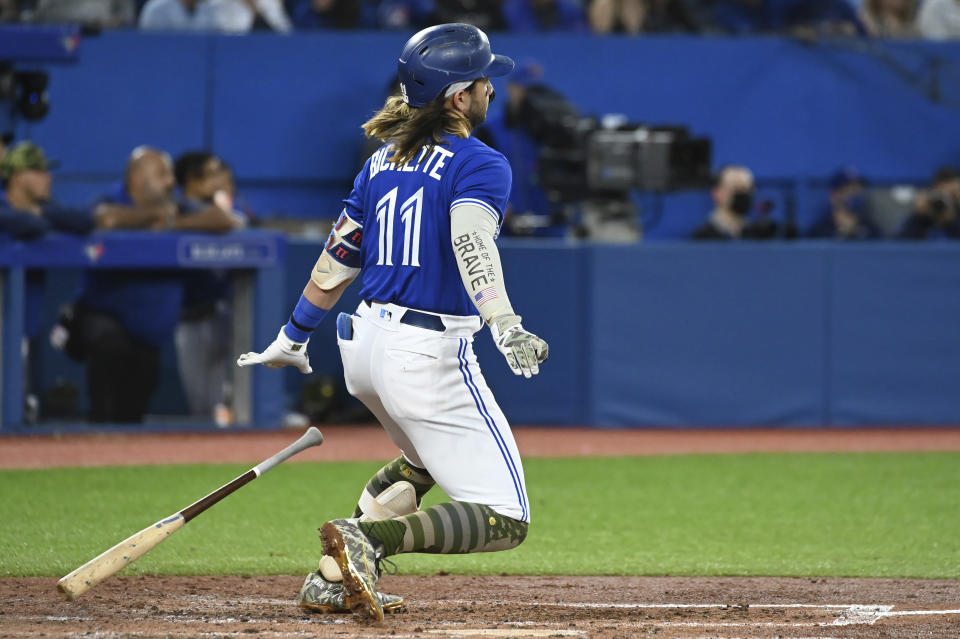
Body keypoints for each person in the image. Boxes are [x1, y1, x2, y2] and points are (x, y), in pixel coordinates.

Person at [238, 23, 548, 621]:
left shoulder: (383, 159)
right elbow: (470, 242)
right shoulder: (481, 162)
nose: (491, 88)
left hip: (364, 349)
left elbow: (339, 257)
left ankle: (330, 578)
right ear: (458, 96)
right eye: (483, 79)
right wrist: (505, 323)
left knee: (422, 464)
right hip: (425, 353)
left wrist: (293, 334)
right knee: (507, 518)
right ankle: (367, 542)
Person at [73, 147, 184, 423]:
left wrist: (171, 220)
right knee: (107, 409)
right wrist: (152, 216)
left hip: (149, 333)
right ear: (135, 178)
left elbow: (224, 218)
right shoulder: (111, 198)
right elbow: (106, 218)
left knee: (133, 416)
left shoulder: (173, 204)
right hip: (105, 321)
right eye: (162, 174)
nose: (171, 181)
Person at [173, 151, 246, 425]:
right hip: (190, 316)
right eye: (213, 173)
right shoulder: (180, 208)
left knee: (229, 399)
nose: (222, 178)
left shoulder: (221, 207)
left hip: (225, 313)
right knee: (201, 404)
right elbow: (224, 220)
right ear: (193, 179)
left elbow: (238, 220)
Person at [807, 166, 879, 239]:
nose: (855, 195)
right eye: (849, 190)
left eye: (858, 189)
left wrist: (855, 230)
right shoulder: (819, 232)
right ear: (833, 195)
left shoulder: (872, 230)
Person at [897, 166, 960, 239]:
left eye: (952, 195)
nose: (946, 199)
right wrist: (918, 216)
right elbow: (899, 244)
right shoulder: (924, 213)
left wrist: (951, 221)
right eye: (942, 194)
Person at [32, 0, 137, 28]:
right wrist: (90, 22)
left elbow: (127, 15)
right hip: (60, 42)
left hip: (107, 39)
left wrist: (116, 21)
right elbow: (42, 15)